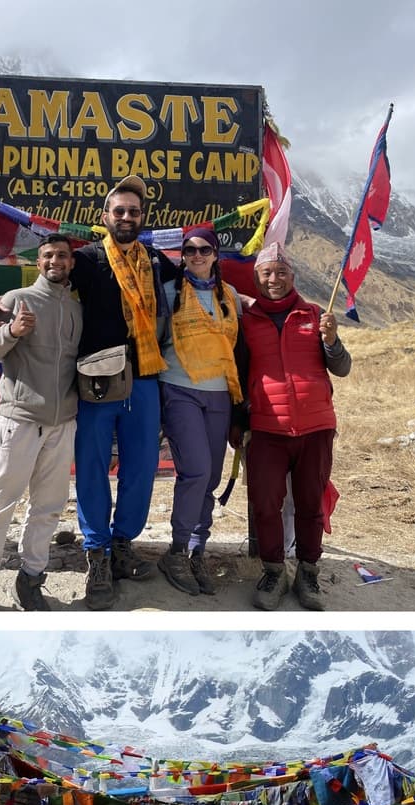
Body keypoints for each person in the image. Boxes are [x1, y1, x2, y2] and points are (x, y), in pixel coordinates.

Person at [0, 176, 178, 609]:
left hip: (144, 376)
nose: (127, 217)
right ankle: (98, 554)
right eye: (119, 211)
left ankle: (123, 542)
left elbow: (204, 280)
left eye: (134, 211)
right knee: (91, 467)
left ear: (142, 218)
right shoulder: (86, 260)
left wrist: (244, 300)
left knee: (141, 467)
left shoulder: (158, 261)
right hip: (95, 380)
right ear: (105, 217)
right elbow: (40, 285)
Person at [0, 234, 81, 611]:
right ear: (39, 260)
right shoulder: (18, 300)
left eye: (62, 256)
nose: (55, 262)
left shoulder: (78, 308)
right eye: (48, 255)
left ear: (71, 262)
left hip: (62, 423)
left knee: (48, 509)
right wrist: (11, 331)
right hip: (19, 421)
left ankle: (31, 579)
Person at [237, 243, 351, 611]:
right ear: (257, 278)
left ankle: (308, 572)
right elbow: (237, 373)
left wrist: (332, 341)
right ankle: (273, 570)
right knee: (266, 503)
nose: (274, 279)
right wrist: (238, 421)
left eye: (281, 272)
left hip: (315, 426)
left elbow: (342, 367)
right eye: (267, 273)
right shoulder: (246, 322)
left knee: (309, 504)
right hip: (267, 428)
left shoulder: (315, 315)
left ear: (293, 276)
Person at [156, 224, 242, 597]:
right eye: (189, 250)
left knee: (211, 478)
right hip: (180, 389)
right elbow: (153, 338)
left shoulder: (231, 297)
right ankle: (176, 550)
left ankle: (196, 549)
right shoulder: (170, 293)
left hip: (220, 393)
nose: (196, 256)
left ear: (215, 254)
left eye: (203, 249)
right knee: (196, 471)